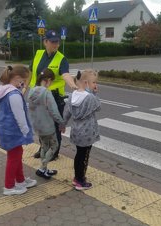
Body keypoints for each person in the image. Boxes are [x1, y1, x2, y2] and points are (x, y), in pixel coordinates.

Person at [29, 29, 78, 161]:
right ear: (45, 42)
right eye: (53, 42)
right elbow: (30, 72)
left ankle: (54, 152)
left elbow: (65, 74)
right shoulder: (38, 54)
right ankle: (43, 148)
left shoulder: (61, 58)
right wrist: (23, 91)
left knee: (55, 127)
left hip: (55, 98)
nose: (56, 45)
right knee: (42, 124)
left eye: (57, 42)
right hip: (39, 97)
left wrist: (73, 85)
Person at [0, 65, 37, 196]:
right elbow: (20, 116)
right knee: (14, 158)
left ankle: (20, 181)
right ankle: (9, 186)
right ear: (17, 78)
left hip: (7, 130)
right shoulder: (14, 94)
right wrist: (26, 131)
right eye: (24, 80)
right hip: (14, 131)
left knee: (16, 155)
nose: (25, 84)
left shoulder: (5, 90)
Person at [63, 69, 101, 190]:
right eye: (94, 82)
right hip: (87, 133)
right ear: (86, 82)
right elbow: (98, 107)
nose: (96, 85)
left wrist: (62, 124)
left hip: (76, 130)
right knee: (84, 157)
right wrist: (94, 93)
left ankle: (77, 178)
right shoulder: (89, 97)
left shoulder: (72, 95)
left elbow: (67, 112)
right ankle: (80, 181)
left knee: (79, 155)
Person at [28, 68, 65, 179]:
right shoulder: (46, 93)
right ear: (47, 80)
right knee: (54, 146)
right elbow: (54, 111)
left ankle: (43, 170)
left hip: (37, 126)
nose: (51, 84)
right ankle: (42, 166)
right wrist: (61, 123)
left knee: (44, 146)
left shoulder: (31, 91)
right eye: (51, 81)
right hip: (47, 126)